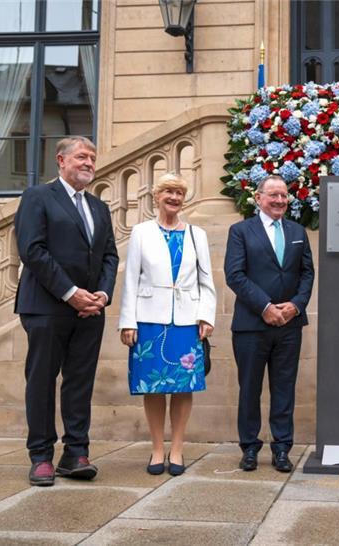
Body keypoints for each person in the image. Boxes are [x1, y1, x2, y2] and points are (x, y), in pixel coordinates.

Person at [14, 136, 119, 486]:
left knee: (80, 382)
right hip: (46, 306)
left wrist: (102, 294)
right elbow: (32, 250)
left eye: (92, 157)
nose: (88, 162)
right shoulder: (37, 197)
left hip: (90, 311)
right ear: (61, 160)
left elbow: (109, 256)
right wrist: (71, 293)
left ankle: (76, 453)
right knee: (42, 380)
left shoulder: (99, 207)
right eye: (81, 157)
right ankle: (41, 456)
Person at [118, 173, 216, 477]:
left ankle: (177, 449)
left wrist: (206, 316)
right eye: (168, 192)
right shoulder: (141, 232)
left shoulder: (196, 234)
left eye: (179, 193)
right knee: (153, 387)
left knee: (183, 386)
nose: (173, 197)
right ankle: (157, 449)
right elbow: (131, 279)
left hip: (187, 320)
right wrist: (127, 321)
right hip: (149, 319)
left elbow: (206, 279)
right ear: (156, 197)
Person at [224, 174, 314, 473]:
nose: (279, 201)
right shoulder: (240, 231)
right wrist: (264, 307)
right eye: (273, 195)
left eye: (284, 196)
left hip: (289, 325)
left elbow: (307, 274)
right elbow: (235, 275)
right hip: (252, 325)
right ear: (258, 198)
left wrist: (296, 305)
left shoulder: (298, 230)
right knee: (249, 388)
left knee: (284, 388)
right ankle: (249, 448)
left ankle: (282, 448)